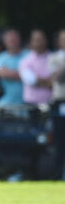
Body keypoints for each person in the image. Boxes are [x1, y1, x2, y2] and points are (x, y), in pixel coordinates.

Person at [48, 29, 65, 179]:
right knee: (59, 141)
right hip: (60, 102)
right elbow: (56, 78)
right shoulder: (54, 58)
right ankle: (58, 174)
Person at [0, 29, 29, 104]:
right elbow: (1, 74)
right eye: (10, 40)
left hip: (29, 102)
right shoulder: (0, 58)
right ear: (4, 42)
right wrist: (24, 74)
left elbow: (35, 75)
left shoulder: (29, 55)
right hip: (7, 103)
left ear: (20, 40)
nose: (13, 42)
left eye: (14, 39)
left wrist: (9, 73)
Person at [19, 30, 52, 104]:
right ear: (31, 42)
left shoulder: (54, 57)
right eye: (36, 40)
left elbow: (57, 80)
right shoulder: (25, 60)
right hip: (32, 104)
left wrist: (40, 81)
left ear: (46, 40)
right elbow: (31, 80)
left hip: (52, 103)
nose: (39, 43)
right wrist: (49, 82)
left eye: (41, 40)